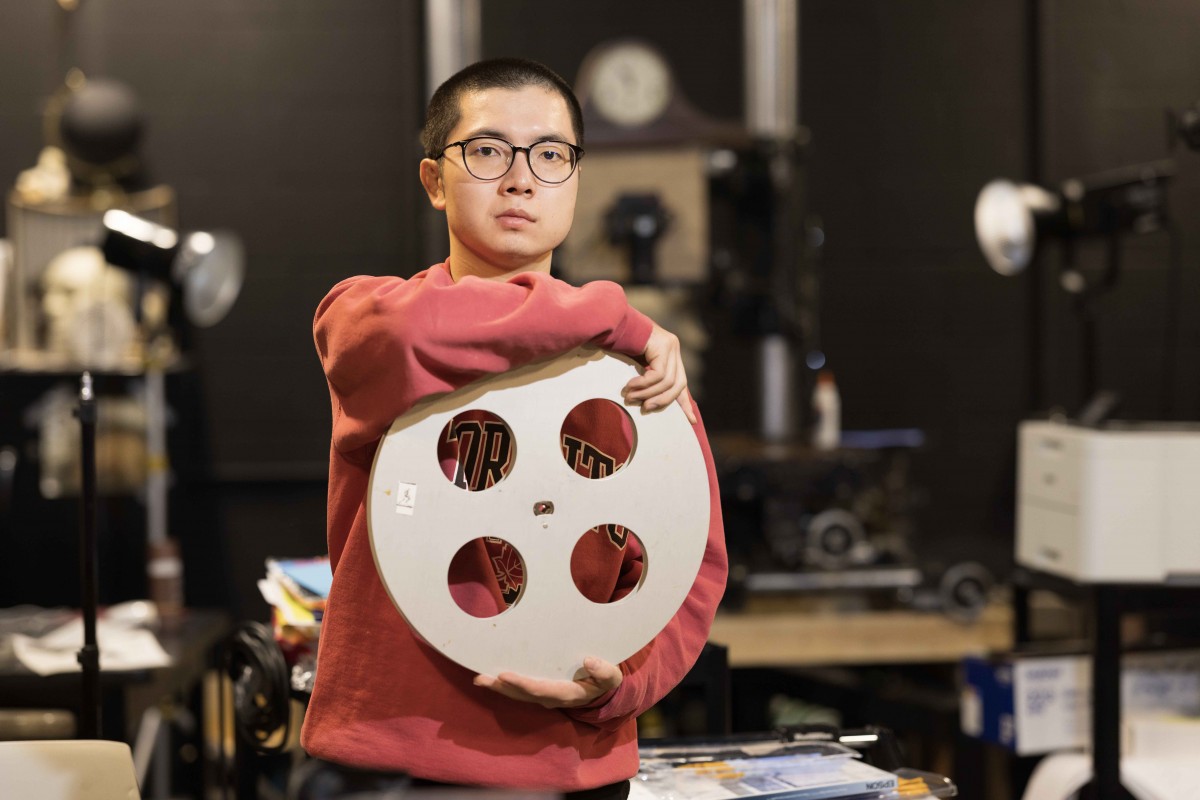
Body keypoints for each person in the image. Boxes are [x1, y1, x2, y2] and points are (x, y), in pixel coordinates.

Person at [302, 57, 727, 798]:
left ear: (575, 179)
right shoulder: (370, 318)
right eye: (489, 151)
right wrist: (615, 315)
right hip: (395, 761)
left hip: (572, 764)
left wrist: (612, 687)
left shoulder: (636, 379)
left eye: (551, 155)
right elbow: (407, 341)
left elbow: (690, 571)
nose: (522, 179)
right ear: (435, 180)